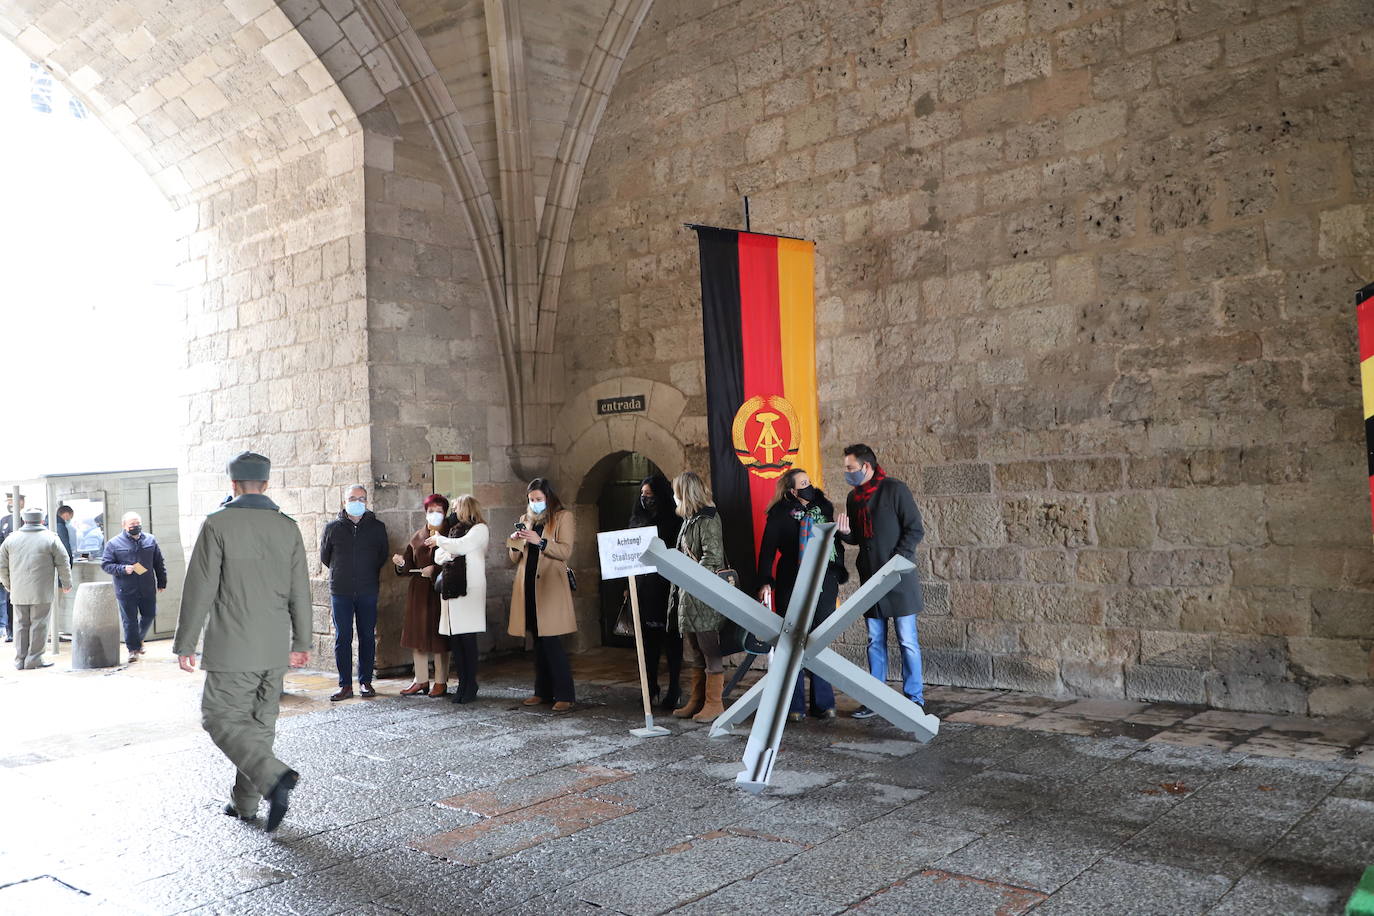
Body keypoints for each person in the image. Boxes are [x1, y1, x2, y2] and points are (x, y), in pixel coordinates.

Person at [174, 451, 311, 831]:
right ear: (266, 484)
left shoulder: (219, 523)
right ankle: (245, 804)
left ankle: (274, 778)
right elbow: (301, 589)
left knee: (218, 717)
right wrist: (301, 640)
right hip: (273, 647)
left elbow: (199, 588)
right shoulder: (287, 527)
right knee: (258, 727)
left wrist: (185, 642)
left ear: (232, 484)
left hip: (233, 647)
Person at [836, 443, 925, 718]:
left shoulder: (895, 490)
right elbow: (859, 538)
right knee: (875, 640)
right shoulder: (854, 498)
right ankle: (876, 698)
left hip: (898, 579)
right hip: (872, 578)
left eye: (850, 468)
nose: (847, 473)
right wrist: (846, 533)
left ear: (866, 466)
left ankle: (914, 698)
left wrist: (897, 561)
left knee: (907, 640)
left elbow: (914, 528)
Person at [758, 468, 847, 722]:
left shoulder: (824, 508)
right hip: (791, 583)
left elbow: (837, 544)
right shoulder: (778, 515)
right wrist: (765, 581)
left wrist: (838, 566)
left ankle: (824, 703)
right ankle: (794, 705)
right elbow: (767, 551)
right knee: (793, 643)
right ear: (792, 491)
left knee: (819, 641)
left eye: (810, 481)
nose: (810, 486)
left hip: (823, 583)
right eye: (803, 483)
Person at [507, 478, 577, 711]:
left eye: (538, 499)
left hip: (550, 586)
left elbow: (566, 550)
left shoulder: (563, 517)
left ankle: (565, 694)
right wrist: (515, 542)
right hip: (528, 586)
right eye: (531, 500)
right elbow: (514, 558)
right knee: (537, 641)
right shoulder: (524, 519)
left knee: (551, 641)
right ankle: (542, 691)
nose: (534, 503)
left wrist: (541, 542)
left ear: (549, 498)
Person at [666, 471, 727, 723]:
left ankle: (715, 703)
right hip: (688, 596)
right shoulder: (689, 519)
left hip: (703, 596)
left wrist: (691, 580)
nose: (673, 496)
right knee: (696, 652)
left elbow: (712, 558)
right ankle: (697, 700)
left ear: (684, 493)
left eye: (675, 491)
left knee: (710, 650)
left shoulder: (708, 519)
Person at [320, 484, 389, 701]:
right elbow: (325, 556)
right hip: (341, 590)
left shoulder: (377, 527)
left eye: (361, 499)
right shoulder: (332, 528)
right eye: (352, 498)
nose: (357, 502)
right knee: (343, 637)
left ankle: (366, 682)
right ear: (344, 501)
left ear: (367, 502)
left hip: (368, 589)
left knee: (367, 636)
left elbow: (382, 556)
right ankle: (345, 685)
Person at [625, 474, 683, 710]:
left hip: (667, 586)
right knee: (647, 642)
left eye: (650, 494)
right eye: (642, 495)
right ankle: (650, 688)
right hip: (644, 586)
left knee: (671, 641)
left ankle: (675, 688)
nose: (645, 499)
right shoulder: (637, 519)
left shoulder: (673, 520)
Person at [426, 495, 489, 704]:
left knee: (468, 640)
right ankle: (462, 683)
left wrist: (441, 542)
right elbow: (439, 556)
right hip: (453, 590)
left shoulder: (479, 529)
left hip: (468, 590)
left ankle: (470, 684)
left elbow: (461, 546)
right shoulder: (453, 531)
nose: (452, 512)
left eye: (455, 508)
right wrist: (447, 547)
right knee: (457, 641)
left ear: (464, 508)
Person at [392, 494, 452, 698]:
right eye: (431, 511)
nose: (435, 515)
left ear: (445, 513)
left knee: (439, 638)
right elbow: (409, 565)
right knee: (417, 637)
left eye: (439, 511)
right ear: (425, 513)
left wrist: (434, 569)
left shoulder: (451, 534)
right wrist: (401, 564)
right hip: (418, 592)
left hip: (439, 591)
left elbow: (454, 560)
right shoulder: (417, 536)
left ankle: (441, 681)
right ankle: (420, 679)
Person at [0, 507, 72, 669]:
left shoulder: (11, 540)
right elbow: (63, 562)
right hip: (42, 592)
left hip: (18, 591)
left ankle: (20, 660)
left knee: (20, 625)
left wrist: (8, 585)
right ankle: (34, 659)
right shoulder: (51, 538)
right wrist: (66, 583)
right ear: (41, 521)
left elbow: (2, 566)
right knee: (39, 624)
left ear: (24, 520)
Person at [101, 511, 169, 662]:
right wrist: (123, 569)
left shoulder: (150, 540)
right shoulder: (113, 543)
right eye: (132, 524)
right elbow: (106, 565)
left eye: (138, 524)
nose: (136, 526)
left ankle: (137, 640)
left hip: (147, 587)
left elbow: (159, 562)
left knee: (149, 614)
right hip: (125, 589)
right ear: (124, 526)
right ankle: (133, 650)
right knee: (129, 620)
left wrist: (162, 581)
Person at [0, 493, 23, 643]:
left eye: (12, 501)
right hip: (7, 566)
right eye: (8, 501)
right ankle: (10, 631)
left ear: (21, 502)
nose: (10, 504)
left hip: (22, 566)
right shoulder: (4, 520)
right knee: (8, 599)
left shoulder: (26, 519)